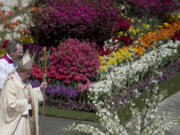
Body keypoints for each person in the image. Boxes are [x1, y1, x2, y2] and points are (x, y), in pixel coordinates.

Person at [0, 50, 47, 135]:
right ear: (20, 72)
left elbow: (30, 94)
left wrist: (40, 89)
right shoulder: (10, 83)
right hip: (17, 124)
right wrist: (25, 101)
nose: (30, 76)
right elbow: (9, 106)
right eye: (28, 74)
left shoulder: (25, 82)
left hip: (27, 119)